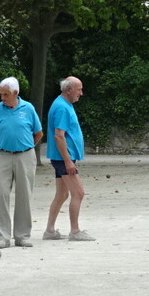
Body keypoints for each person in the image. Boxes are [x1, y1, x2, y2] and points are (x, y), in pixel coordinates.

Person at [0, 77, 43, 249]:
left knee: (24, 195)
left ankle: (22, 236)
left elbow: (38, 133)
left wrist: (25, 147)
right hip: (2, 155)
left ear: (15, 93)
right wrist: (5, 147)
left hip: (25, 155)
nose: (2, 97)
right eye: (1, 94)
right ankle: (2, 237)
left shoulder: (28, 108)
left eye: (6, 94)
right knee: (0, 194)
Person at [43, 76, 95, 242]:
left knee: (62, 194)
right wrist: (68, 161)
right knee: (78, 193)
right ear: (69, 90)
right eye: (79, 89)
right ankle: (75, 231)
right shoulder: (62, 108)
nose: (81, 93)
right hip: (64, 158)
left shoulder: (63, 104)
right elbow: (59, 136)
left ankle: (50, 231)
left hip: (62, 158)